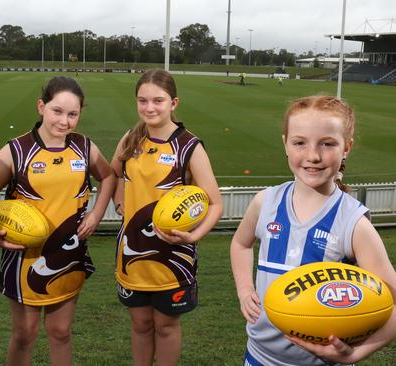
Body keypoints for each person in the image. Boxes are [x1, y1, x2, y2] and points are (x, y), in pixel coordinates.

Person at [230, 95, 396, 365]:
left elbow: (393, 303)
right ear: (285, 144)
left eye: (327, 144)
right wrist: (244, 289)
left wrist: (355, 353)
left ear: (347, 148)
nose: (313, 156)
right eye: (299, 143)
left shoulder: (354, 224)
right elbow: (241, 244)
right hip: (258, 357)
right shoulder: (265, 201)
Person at [0, 76, 115, 366]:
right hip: (25, 258)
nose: (64, 121)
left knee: (60, 331)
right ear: (41, 107)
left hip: (69, 254)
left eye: (72, 114)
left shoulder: (84, 148)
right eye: (57, 111)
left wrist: (96, 214)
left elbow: (109, 175)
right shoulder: (16, 151)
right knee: (25, 333)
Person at [110, 69, 223, 366]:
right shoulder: (132, 138)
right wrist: (120, 201)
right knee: (141, 325)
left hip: (173, 256)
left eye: (158, 101)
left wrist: (194, 236)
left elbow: (215, 204)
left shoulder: (189, 146)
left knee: (166, 326)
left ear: (173, 103)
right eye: (142, 100)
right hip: (132, 251)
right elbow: (113, 173)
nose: (149, 108)